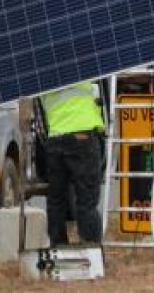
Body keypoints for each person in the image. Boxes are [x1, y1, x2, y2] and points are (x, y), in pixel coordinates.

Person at [41, 82, 105, 245]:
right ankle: (91, 249)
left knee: (56, 199)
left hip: (55, 137)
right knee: (86, 199)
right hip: (82, 135)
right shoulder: (80, 64)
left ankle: (57, 247)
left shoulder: (41, 73)